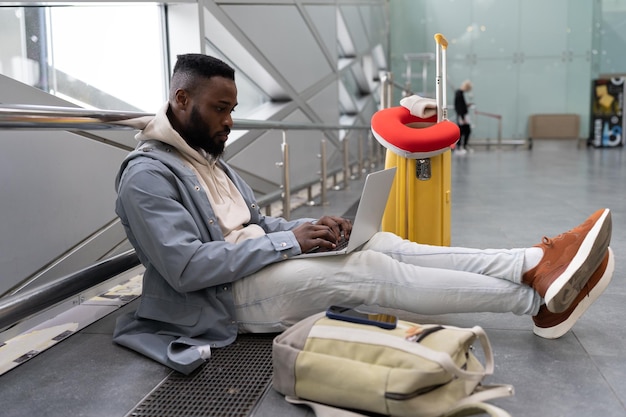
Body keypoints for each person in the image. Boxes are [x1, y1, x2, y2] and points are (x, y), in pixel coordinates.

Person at [113, 54, 614, 374]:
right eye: (221, 109)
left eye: (233, 108)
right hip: (224, 299)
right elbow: (185, 269)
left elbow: (257, 226)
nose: (230, 122)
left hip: (255, 267)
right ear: (181, 99)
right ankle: (535, 302)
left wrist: (312, 227)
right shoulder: (146, 177)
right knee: (368, 271)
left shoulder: (206, 158)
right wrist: (289, 243)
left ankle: (533, 263)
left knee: (387, 244)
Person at [454, 80, 472, 153]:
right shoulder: (459, 94)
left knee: (465, 130)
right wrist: (462, 117)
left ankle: (462, 146)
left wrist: (466, 105)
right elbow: (459, 106)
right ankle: (460, 147)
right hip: (462, 115)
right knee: (462, 131)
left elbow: (460, 105)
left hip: (463, 115)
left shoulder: (460, 93)